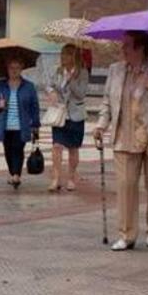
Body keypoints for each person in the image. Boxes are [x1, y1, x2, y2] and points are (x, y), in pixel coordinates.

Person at [93, 30, 148, 251]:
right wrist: (101, 124)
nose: (122, 50)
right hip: (124, 137)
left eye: (127, 46)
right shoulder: (115, 70)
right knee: (125, 187)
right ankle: (126, 234)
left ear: (141, 48)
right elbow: (106, 102)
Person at [0, 57, 39, 189]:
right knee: (8, 150)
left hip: (21, 125)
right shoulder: (0, 86)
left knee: (18, 149)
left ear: (21, 69)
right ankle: (13, 173)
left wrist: (36, 124)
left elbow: (34, 106)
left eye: (17, 68)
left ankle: (16, 175)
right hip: (5, 125)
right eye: (11, 68)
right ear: (7, 69)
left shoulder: (29, 86)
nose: (14, 71)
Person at [47, 44, 89, 192]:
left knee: (73, 148)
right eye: (62, 54)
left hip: (75, 115)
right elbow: (49, 85)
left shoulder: (82, 73)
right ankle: (56, 178)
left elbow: (81, 94)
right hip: (60, 114)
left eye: (67, 54)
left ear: (74, 57)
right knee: (56, 146)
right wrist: (51, 92)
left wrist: (71, 81)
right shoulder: (57, 71)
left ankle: (71, 177)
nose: (63, 57)